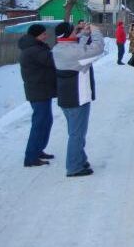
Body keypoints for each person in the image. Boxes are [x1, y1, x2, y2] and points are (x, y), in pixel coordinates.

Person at [52, 22, 104, 177]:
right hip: (78, 97)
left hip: (66, 96)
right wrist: (95, 32)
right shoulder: (73, 52)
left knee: (75, 131)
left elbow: (76, 46)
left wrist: (85, 34)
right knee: (77, 134)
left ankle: (80, 158)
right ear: (68, 34)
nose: (77, 32)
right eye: (75, 31)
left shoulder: (58, 48)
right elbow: (97, 48)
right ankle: (74, 166)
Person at [18, 24, 56, 168]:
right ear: (36, 35)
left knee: (46, 121)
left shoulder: (35, 47)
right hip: (38, 91)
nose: (46, 36)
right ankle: (31, 157)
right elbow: (52, 60)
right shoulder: (34, 50)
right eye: (43, 34)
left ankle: (38, 150)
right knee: (39, 124)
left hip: (40, 90)